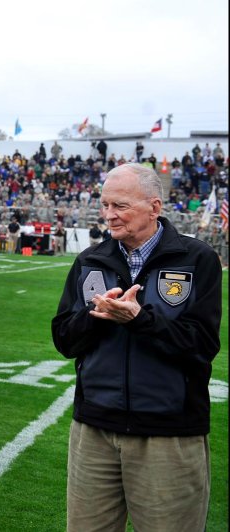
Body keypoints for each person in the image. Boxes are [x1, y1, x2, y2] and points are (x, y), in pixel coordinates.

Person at [51, 163, 221, 532]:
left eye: (121, 206)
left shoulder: (197, 259)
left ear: (154, 207)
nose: (109, 215)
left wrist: (139, 320)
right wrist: (97, 315)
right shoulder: (90, 260)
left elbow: (202, 345)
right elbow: (64, 339)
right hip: (94, 428)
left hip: (169, 433)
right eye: (105, 204)